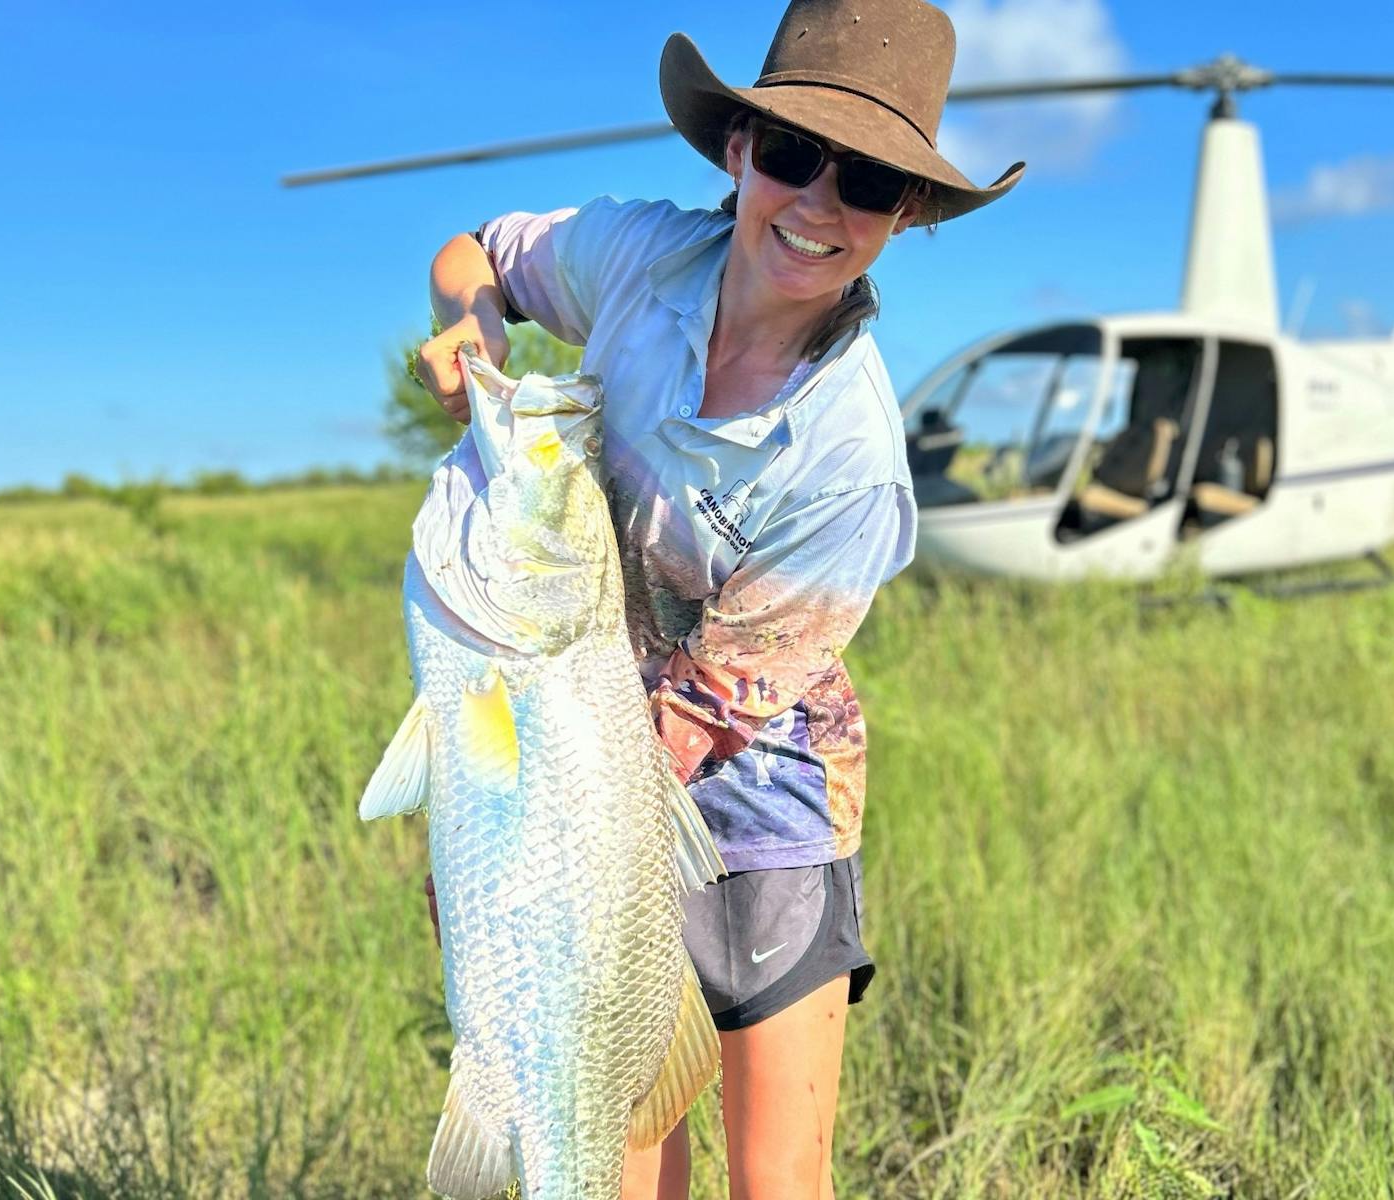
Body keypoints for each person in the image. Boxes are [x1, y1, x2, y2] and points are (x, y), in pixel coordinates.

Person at [416, 3, 1022, 1196]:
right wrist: (470, 327)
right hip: (577, 745)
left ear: (906, 214)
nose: (817, 206)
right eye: (793, 155)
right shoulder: (640, 257)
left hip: (762, 790)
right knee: (612, 1150)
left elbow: (699, 716)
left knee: (777, 1178)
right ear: (738, 150)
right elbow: (470, 250)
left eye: (870, 184)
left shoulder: (851, 457)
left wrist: (513, 831)